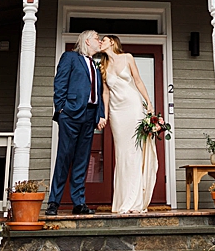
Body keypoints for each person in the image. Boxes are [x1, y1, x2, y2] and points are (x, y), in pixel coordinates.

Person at [44, 30, 107, 217]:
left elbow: (98, 93)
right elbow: (60, 83)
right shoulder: (70, 57)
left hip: (89, 116)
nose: (100, 40)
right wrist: (61, 109)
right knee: (64, 157)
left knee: (82, 160)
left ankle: (78, 203)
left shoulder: (95, 66)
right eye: (97, 38)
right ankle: (54, 202)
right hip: (70, 115)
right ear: (87, 41)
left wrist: (100, 114)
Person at [98, 37, 157, 216]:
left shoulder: (128, 57)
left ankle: (135, 201)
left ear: (112, 43)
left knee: (134, 153)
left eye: (104, 40)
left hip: (133, 107)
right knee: (122, 155)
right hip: (117, 113)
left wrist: (148, 102)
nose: (100, 42)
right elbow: (105, 93)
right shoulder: (102, 65)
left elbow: (138, 81)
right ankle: (122, 200)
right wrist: (105, 115)